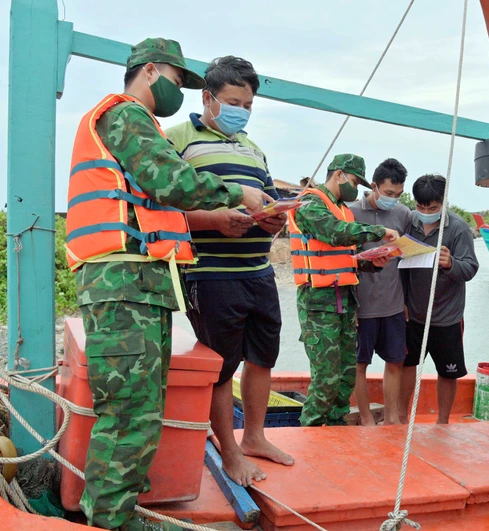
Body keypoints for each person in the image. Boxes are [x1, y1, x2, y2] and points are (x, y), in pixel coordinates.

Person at [65, 39, 268, 531]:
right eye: (178, 83)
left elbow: (154, 202)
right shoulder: (126, 115)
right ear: (150, 69)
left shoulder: (133, 121)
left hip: (140, 281)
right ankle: (109, 519)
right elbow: (170, 179)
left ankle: (119, 506)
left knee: (141, 404)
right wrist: (237, 192)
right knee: (130, 409)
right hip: (121, 281)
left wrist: (218, 216)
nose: (178, 92)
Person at [165, 56, 293, 488]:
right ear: (207, 98)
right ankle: (230, 449)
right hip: (210, 272)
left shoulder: (253, 149)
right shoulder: (177, 138)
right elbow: (163, 207)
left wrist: (277, 220)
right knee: (220, 366)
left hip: (259, 271)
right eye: (233, 101)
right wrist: (215, 220)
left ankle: (255, 436)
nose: (242, 110)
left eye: (249, 104)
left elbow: (271, 201)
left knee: (262, 358)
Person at [287, 154, 400, 426]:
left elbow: (346, 259)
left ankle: (335, 426)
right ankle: (311, 428)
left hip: (345, 304)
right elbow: (334, 232)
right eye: (354, 181)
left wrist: (373, 263)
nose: (356, 188)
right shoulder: (309, 203)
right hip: (318, 304)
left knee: (346, 376)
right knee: (326, 378)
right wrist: (377, 232)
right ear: (338, 175)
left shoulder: (343, 210)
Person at [399, 174, 478, 425]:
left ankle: (443, 421)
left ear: (443, 203)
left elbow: (470, 269)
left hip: (447, 316)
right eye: (420, 207)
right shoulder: (408, 223)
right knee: (406, 364)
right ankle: (400, 417)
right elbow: (399, 267)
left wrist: (450, 263)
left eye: (432, 208)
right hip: (413, 313)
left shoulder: (458, 228)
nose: (425, 212)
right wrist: (401, 302)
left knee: (448, 371)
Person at [349, 158, 413, 425]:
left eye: (398, 195)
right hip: (360, 307)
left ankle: (391, 419)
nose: (393, 199)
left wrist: (407, 301)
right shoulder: (350, 213)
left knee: (395, 362)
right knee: (358, 365)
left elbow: (409, 257)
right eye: (388, 194)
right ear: (374, 186)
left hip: (393, 304)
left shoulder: (403, 214)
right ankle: (366, 419)